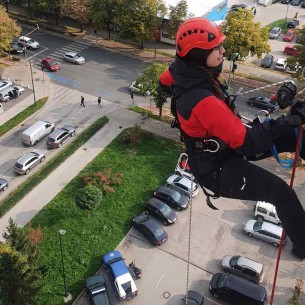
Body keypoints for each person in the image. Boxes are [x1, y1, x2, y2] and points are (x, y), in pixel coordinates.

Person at [159, 17, 305, 259]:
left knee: (293, 135)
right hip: (219, 170)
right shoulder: (201, 100)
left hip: (225, 149)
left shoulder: (183, 71)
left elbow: (166, 78)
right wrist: (289, 119)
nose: (223, 51)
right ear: (198, 56)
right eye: (216, 48)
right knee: (282, 194)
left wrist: (287, 125)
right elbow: (248, 143)